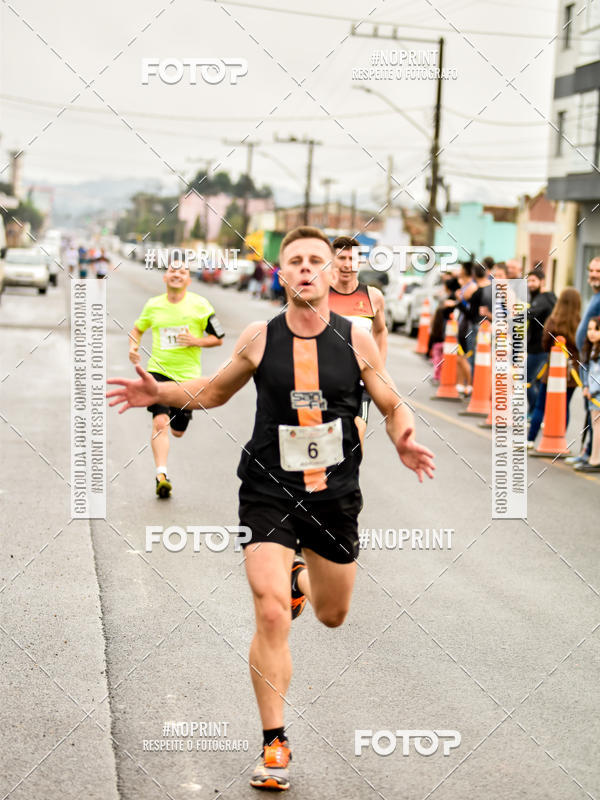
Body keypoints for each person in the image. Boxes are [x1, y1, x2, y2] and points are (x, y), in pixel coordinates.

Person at [107, 226, 435, 792]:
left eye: (317, 260)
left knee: (332, 615)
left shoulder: (357, 336)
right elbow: (211, 392)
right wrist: (158, 394)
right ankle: (274, 742)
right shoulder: (261, 336)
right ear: (281, 273)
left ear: (332, 272)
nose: (306, 268)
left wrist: (404, 435)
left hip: (334, 497)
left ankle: (304, 577)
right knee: (269, 611)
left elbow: (389, 400)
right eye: (296, 261)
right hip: (269, 488)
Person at [127, 256, 225, 497]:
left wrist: (197, 340)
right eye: (173, 271)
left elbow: (219, 337)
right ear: (165, 277)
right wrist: (133, 347)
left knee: (178, 430)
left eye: (182, 272)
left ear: (188, 280)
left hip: (188, 378)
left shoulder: (201, 305)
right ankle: (161, 475)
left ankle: (177, 423)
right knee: (160, 422)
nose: (177, 274)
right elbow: (137, 329)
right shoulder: (153, 305)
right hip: (158, 372)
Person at [328, 235, 387, 444]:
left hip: (359, 384)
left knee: (355, 441)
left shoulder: (373, 297)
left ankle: (349, 477)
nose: (346, 264)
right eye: (341, 258)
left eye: (351, 259)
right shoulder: (319, 295)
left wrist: (378, 370)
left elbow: (380, 331)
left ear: (360, 261)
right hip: (323, 384)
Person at [527, 287, 580, 448]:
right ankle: (559, 439)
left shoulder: (552, 321)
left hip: (551, 372)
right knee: (565, 406)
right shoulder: (579, 324)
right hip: (571, 373)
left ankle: (530, 439)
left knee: (541, 406)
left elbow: (544, 344)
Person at [526, 269, 556, 415]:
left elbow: (531, 313)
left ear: (542, 282)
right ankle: (538, 411)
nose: (530, 284)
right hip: (543, 348)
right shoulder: (549, 297)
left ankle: (535, 411)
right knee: (537, 381)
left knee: (525, 379)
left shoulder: (541, 299)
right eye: (528, 281)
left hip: (538, 348)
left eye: (533, 281)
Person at [578, 316, 600, 472]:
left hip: (597, 395)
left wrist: (592, 389)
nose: (592, 333)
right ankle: (593, 457)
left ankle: (595, 460)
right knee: (595, 426)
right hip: (592, 395)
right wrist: (585, 386)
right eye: (590, 329)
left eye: (596, 329)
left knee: (597, 428)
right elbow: (586, 371)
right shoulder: (590, 348)